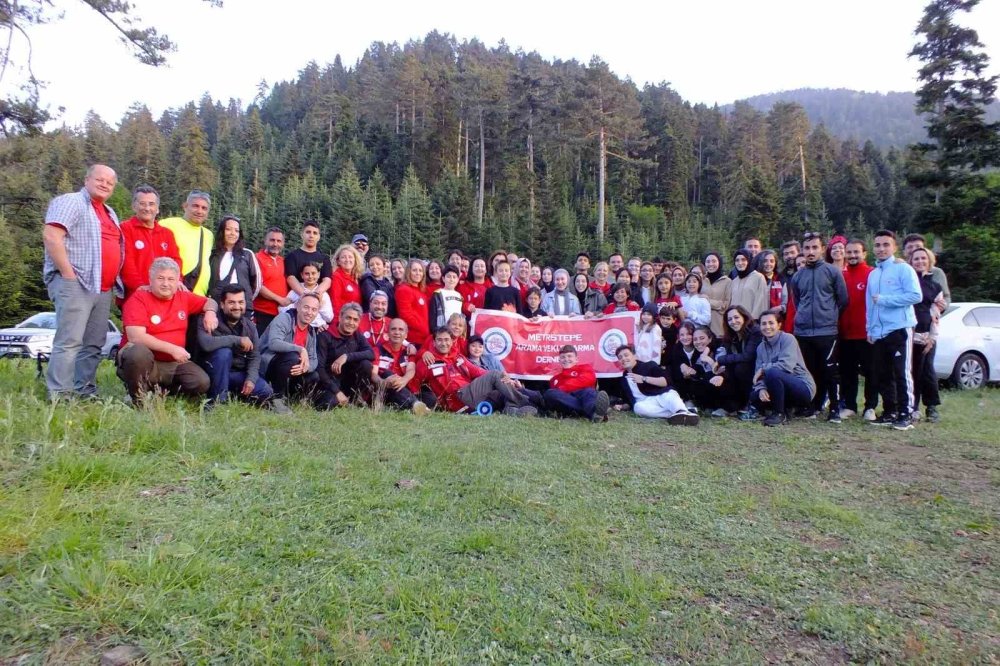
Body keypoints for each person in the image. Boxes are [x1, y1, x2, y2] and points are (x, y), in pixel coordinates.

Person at [42, 164, 124, 400]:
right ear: (87, 179)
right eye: (100, 179)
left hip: (103, 287)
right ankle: (59, 393)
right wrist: (68, 273)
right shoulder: (71, 202)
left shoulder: (109, 212)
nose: (105, 184)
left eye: (110, 182)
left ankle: (84, 390)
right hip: (77, 282)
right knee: (70, 340)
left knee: (93, 343)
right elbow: (51, 236)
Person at [117, 258, 217, 404]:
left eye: (171, 279)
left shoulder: (184, 297)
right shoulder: (138, 298)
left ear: (178, 281)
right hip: (146, 361)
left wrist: (210, 313)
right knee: (137, 353)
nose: (166, 284)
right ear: (151, 279)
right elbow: (136, 337)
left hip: (172, 364)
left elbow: (210, 302)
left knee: (200, 381)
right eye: (160, 278)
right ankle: (138, 398)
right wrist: (172, 349)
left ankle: (159, 392)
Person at [198, 284, 289, 413]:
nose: (237, 306)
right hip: (212, 372)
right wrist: (237, 340)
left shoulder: (249, 326)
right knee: (224, 353)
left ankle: (233, 394)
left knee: (265, 390)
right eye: (231, 302)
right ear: (222, 304)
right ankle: (217, 402)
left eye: (241, 302)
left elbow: (255, 356)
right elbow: (206, 344)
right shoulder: (209, 319)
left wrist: (251, 379)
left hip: (235, 374)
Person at [867, 229, 922, 431]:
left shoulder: (903, 269)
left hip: (900, 328)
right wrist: (870, 329)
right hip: (879, 332)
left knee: (901, 372)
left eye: (886, 245)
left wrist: (886, 301)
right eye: (878, 245)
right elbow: (870, 305)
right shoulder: (874, 274)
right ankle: (889, 411)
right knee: (883, 374)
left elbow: (916, 296)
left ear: (894, 247)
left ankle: (906, 413)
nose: (881, 249)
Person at [791, 232, 849, 422]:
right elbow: (798, 301)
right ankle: (813, 406)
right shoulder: (798, 276)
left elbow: (843, 300)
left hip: (827, 331)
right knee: (810, 370)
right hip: (804, 331)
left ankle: (834, 407)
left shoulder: (833, 272)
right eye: (807, 248)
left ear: (823, 249)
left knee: (830, 371)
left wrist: (828, 316)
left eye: (815, 247)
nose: (810, 251)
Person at [414, 327, 536, 415]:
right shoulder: (427, 361)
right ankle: (527, 403)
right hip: (457, 397)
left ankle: (512, 411)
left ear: (452, 342)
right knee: (494, 374)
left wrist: (502, 377)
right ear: (434, 343)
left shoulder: (458, 357)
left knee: (500, 390)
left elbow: (477, 371)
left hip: (470, 394)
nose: (443, 343)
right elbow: (414, 384)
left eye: (446, 340)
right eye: (439, 340)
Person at [260, 292, 329, 408]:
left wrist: (304, 368)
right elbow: (273, 343)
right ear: (297, 306)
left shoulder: (311, 331)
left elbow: (313, 360)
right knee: (292, 356)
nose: (309, 312)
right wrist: (301, 349)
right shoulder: (284, 318)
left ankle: (293, 401)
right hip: (267, 367)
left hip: (291, 372)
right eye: (306, 307)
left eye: (314, 310)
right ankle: (276, 398)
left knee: (314, 375)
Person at [750, 310, 817, 426]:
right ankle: (786, 408)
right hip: (778, 386)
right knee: (754, 396)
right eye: (763, 324)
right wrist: (761, 388)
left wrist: (763, 369)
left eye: (771, 323)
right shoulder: (760, 347)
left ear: (779, 325)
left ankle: (779, 414)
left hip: (802, 386)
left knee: (772, 372)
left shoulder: (788, 339)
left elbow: (786, 365)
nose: (767, 327)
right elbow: (758, 373)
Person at [119, 185, 182, 300]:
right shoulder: (125, 229)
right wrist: (140, 286)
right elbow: (126, 263)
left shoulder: (166, 233)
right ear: (134, 206)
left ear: (157, 208)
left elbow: (176, 260)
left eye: (151, 204)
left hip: (165, 295)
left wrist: (177, 281)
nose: (147, 208)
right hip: (137, 294)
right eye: (142, 203)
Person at [838, 239, 876, 420]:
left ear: (864, 254)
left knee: (871, 371)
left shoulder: (872, 274)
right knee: (848, 373)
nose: (852, 255)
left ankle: (870, 407)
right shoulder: (841, 276)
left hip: (867, 334)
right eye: (849, 252)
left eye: (856, 252)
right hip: (845, 334)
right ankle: (850, 406)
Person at [614, 344, 698, 424]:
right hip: (646, 404)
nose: (623, 359)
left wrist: (644, 378)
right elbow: (629, 401)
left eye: (626, 355)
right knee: (637, 408)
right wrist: (622, 407)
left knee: (669, 395)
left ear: (634, 356)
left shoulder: (649, 365)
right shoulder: (623, 379)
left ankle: (681, 411)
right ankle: (680, 413)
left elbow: (665, 382)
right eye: (620, 357)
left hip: (660, 395)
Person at [909, 247, 946, 423]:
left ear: (929, 261)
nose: (920, 261)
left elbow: (936, 313)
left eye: (923, 258)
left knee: (925, 372)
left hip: (925, 336)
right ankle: (912, 406)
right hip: (907, 334)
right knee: (910, 372)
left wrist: (933, 337)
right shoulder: (907, 281)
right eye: (916, 259)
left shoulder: (935, 286)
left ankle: (930, 407)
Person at [316, 303, 375, 407]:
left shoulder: (357, 335)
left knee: (366, 364)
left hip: (348, 381)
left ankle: (356, 398)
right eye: (348, 318)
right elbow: (319, 368)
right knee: (327, 405)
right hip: (329, 381)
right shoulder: (325, 334)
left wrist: (347, 356)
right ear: (340, 317)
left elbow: (371, 353)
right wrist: (336, 391)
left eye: (355, 320)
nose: (351, 322)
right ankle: (339, 398)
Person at [371, 318, 430, 414]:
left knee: (430, 399)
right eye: (393, 329)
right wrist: (383, 382)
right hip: (383, 389)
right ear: (388, 333)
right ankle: (415, 404)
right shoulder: (377, 350)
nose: (397, 332)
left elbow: (411, 370)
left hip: (403, 388)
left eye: (401, 329)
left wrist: (404, 380)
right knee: (388, 374)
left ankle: (410, 405)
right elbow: (373, 374)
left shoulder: (409, 350)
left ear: (406, 335)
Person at [160, 190, 213, 295]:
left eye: (204, 208)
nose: (199, 211)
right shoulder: (167, 225)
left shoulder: (208, 235)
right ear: (185, 206)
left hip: (200, 297)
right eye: (195, 206)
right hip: (174, 291)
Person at [207, 215, 261, 316]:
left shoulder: (247, 254)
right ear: (222, 232)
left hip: (242, 309)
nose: (233, 233)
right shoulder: (212, 255)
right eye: (228, 229)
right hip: (218, 306)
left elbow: (256, 283)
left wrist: (246, 299)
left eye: (236, 230)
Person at [543, 345, 610, 422]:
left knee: (589, 391)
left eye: (569, 356)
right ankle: (594, 413)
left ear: (576, 359)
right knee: (550, 393)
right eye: (563, 357)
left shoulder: (585, 368)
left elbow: (587, 380)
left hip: (584, 395)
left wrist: (562, 388)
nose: (566, 359)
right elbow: (556, 397)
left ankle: (594, 413)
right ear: (559, 360)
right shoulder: (555, 379)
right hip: (567, 401)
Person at [718, 305, 762, 416]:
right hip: (740, 370)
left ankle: (751, 403)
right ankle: (732, 405)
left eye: (736, 317)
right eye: (729, 319)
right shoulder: (732, 334)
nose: (733, 321)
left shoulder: (755, 331)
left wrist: (721, 360)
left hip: (757, 369)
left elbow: (748, 356)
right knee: (727, 369)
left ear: (744, 317)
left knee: (741, 367)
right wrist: (719, 362)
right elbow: (724, 351)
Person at [688, 326, 739, 417]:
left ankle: (726, 408)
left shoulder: (720, 348)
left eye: (702, 338)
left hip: (725, 382)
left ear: (710, 339)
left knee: (714, 377)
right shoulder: (696, 355)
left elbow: (723, 370)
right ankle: (706, 406)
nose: (698, 342)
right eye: (695, 339)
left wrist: (708, 360)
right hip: (709, 388)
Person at [253, 227, 292, 336]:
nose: (275, 244)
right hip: (262, 312)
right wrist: (280, 299)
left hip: (281, 314)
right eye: (272, 240)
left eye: (279, 241)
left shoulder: (283, 261)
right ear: (265, 241)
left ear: (283, 244)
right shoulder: (256, 258)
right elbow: (258, 285)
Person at [284, 221, 332, 298]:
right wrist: (304, 295)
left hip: (317, 300)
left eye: (315, 233)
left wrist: (317, 294)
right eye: (308, 232)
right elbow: (291, 278)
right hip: (296, 298)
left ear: (319, 237)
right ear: (302, 234)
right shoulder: (292, 256)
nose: (311, 235)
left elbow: (327, 280)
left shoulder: (324, 259)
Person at [902, 233, 951, 306]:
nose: (914, 249)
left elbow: (946, 296)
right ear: (904, 252)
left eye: (918, 246)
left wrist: (942, 307)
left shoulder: (936, 272)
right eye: (910, 247)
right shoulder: (900, 271)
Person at [281, 264, 333, 329]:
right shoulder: (295, 291)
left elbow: (329, 318)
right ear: (302, 275)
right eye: (307, 274)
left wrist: (320, 305)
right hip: (298, 328)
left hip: (318, 328)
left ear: (318, 274)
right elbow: (282, 311)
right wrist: (297, 304)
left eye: (313, 273)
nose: (310, 276)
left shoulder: (323, 294)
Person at [395, 259, 431, 344]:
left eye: (420, 270)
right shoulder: (404, 289)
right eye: (414, 270)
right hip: (413, 339)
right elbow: (405, 315)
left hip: (424, 338)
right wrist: (423, 328)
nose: (418, 273)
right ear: (409, 272)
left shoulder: (421, 291)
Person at [329, 244, 364, 327]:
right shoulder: (336, 277)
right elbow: (335, 303)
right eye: (343, 257)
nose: (347, 259)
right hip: (342, 323)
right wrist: (337, 324)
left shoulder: (356, 277)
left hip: (354, 322)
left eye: (350, 257)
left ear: (355, 259)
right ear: (338, 261)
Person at [730, 249, 768, 320]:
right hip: (735, 323)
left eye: (743, 260)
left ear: (749, 261)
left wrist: (751, 321)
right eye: (737, 260)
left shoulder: (758, 277)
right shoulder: (734, 281)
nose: (740, 263)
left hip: (751, 323)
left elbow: (761, 303)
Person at [668, 320, 699, 407]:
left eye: (689, 334)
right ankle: (684, 399)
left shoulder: (699, 347)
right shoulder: (676, 349)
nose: (685, 337)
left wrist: (692, 371)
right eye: (682, 335)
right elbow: (674, 367)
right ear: (678, 336)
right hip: (682, 383)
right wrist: (682, 368)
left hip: (696, 380)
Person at [703, 252, 732, 338]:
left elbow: (727, 305)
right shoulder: (702, 281)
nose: (711, 264)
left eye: (714, 261)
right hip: (702, 330)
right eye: (708, 261)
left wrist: (708, 301)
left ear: (719, 263)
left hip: (719, 328)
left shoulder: (727, 281)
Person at [430, 265, 465, 330]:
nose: (451, 279)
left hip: (456, 331)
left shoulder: (459, 296)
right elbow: (433, 316)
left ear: (457, 279)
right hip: (442, 331)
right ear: (443, 278)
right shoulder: (438, 293)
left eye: (454, 277)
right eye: (449, 276)